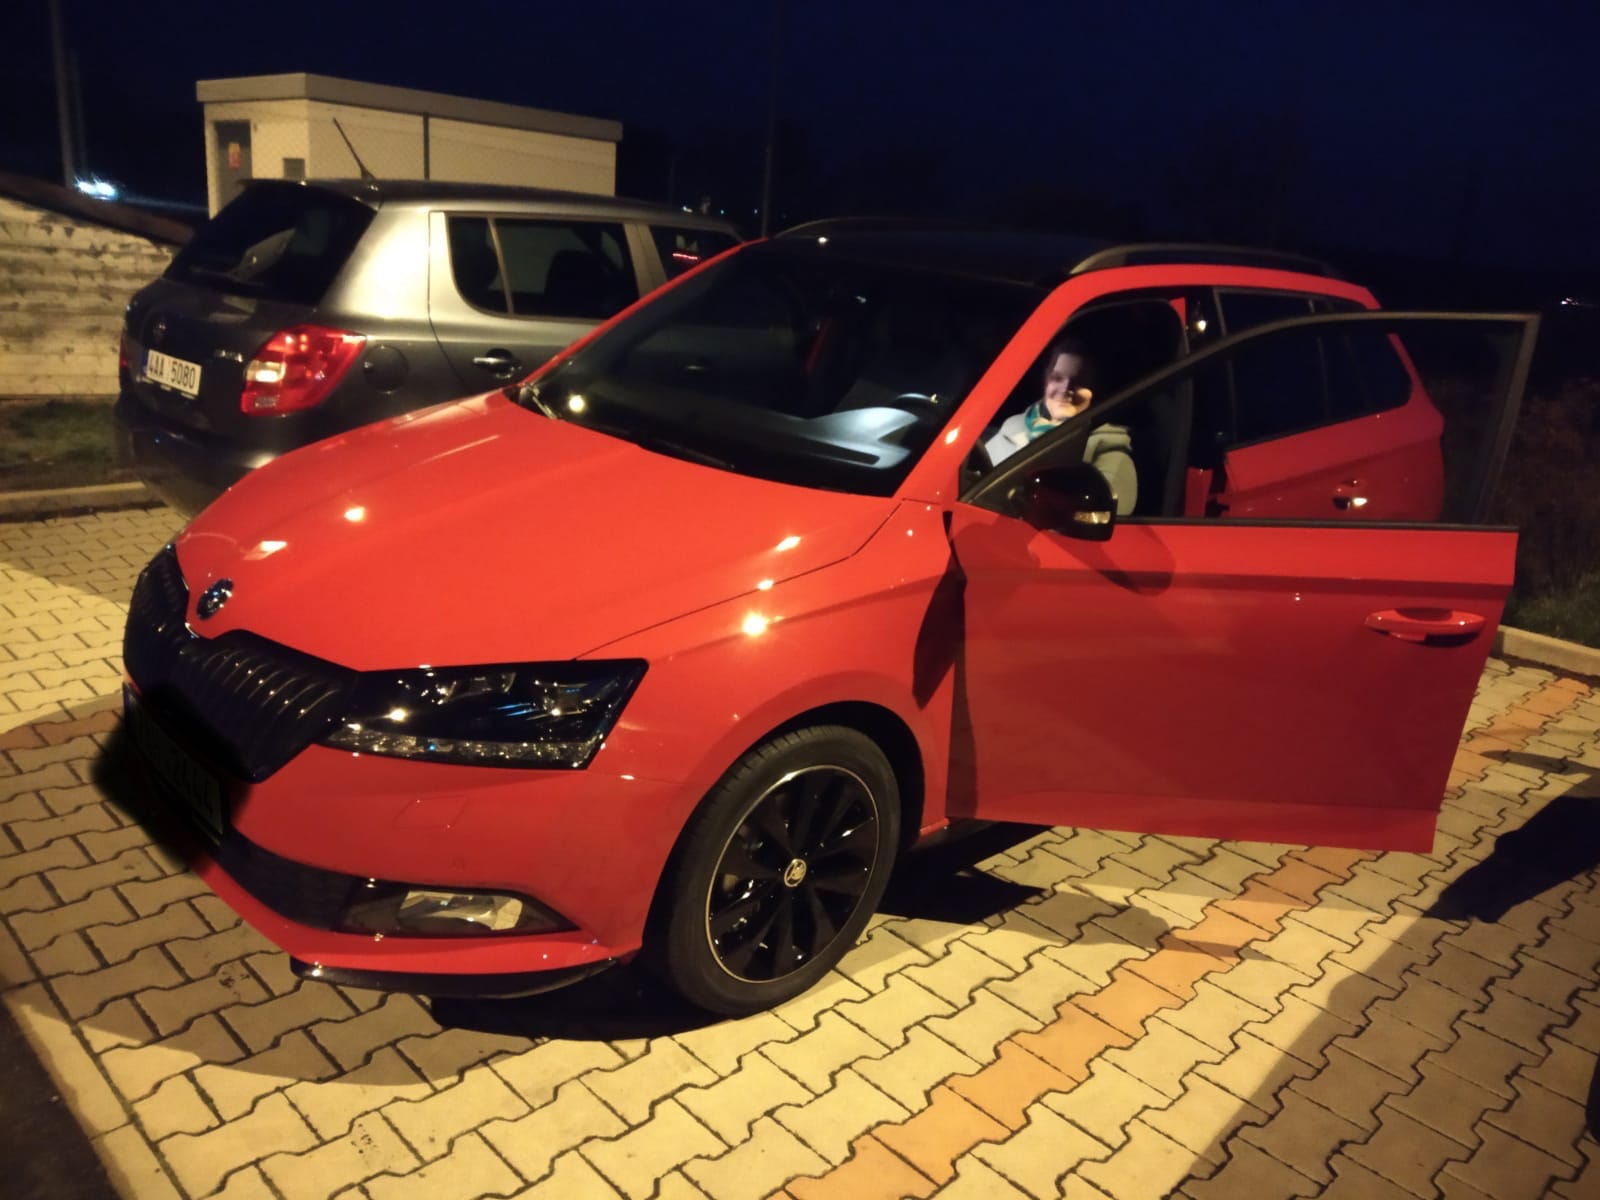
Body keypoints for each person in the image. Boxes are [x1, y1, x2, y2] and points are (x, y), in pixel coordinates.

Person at [984, 337, 1138, 515]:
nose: (1066, 388)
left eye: (1079, 382)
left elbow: (1103, 515)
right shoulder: (1011, 428)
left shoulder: (1108, 450)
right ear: (1045, 378)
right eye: (1057, 378)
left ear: (1095, 388)